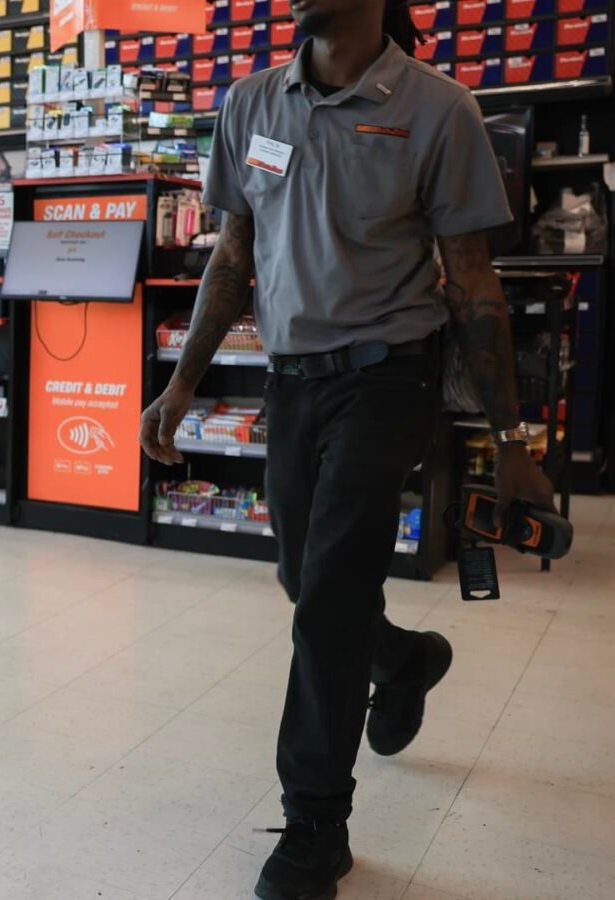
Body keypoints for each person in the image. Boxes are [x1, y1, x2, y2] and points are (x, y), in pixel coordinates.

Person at [138, 1, 555, 897]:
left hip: (387, 378)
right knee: (304, 576)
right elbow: (233, 255)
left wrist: (511, 439)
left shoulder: (439, 109)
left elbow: (472, 281)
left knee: (327, 600)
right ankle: (404, 661)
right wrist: (181, 383)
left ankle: (315, 825)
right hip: (291, 381)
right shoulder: (251, 102)